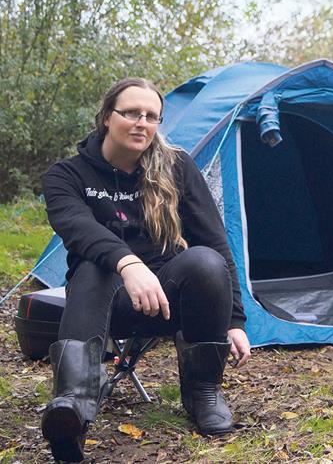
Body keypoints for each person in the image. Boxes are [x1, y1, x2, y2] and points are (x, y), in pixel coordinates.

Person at [40, 77, 251, 462]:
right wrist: (128, 264)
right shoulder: (66, 176)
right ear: (106, 117)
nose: (142, 123)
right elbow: (80, 229)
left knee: (205, 260)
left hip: (169, 301)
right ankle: (72, 410)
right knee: (93, 265)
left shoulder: (176, 167)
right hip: (104, 306)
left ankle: (204, 393)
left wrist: (234, 319)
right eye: (131, 113)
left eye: (151, 116)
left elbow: (217, 242)